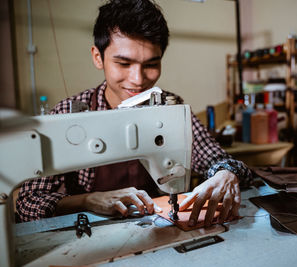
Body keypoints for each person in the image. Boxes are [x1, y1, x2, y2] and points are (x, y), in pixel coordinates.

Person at [16, 0, 252, 227]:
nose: (138, 80)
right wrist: (88, 200)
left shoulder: (170, 108)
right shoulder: (65, 115)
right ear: (98, 57)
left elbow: (215, 157)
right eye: (123, 63)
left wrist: (225, 173)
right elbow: (28, 203)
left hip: (156, 227)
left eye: (151, 64)